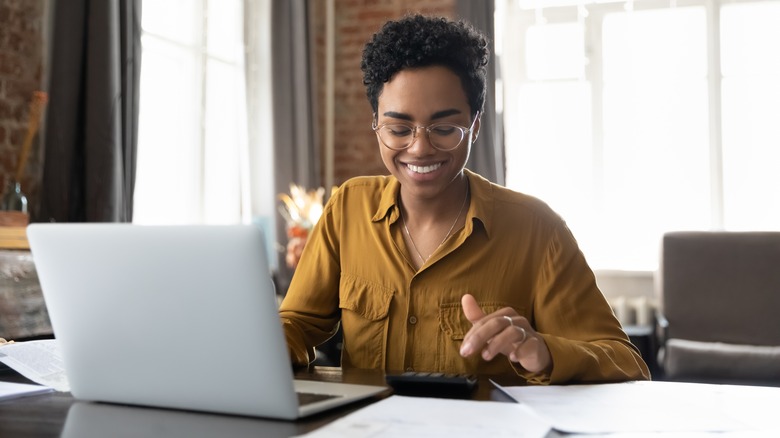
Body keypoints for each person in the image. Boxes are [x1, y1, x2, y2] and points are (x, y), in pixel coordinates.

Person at [279, 14, 650, 384]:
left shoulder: (537, 230)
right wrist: (266, 342)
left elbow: (627, 363)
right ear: (375, 124)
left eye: (443, 128)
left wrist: (543, 351)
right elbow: (297, 323)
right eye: (398, 129)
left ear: (475, 126)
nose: (420, 148)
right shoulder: (348, 208)